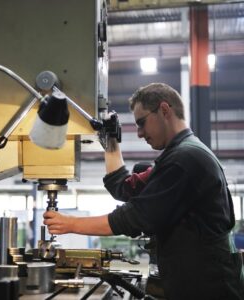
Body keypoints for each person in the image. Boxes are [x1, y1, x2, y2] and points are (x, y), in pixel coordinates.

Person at [43, 83, 244, 300]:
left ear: (165, 110)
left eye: (141, 123)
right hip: (193, 279)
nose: (139, 133)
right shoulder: (177, 156)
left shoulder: (184, 160)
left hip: (208, 286)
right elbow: (124, 187)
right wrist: (110, 138)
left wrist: (70, 224)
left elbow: (135, 217)